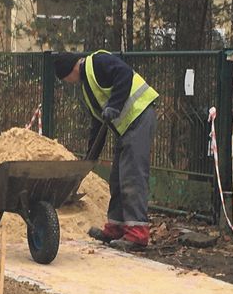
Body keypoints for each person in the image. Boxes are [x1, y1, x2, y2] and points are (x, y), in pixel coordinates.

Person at [54, 51, 159, 252]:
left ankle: (137, 234)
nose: (68, 82)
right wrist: (89, 159)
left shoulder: (98, 61)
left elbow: (124, 74)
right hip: (127, 127)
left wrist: (114, 105)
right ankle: (116, 227)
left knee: (132, 176)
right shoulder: (87, 87)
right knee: (118, 177)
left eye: (65, 79)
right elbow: (98, 123)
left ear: (70, 71)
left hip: (140, 116)